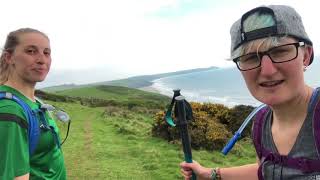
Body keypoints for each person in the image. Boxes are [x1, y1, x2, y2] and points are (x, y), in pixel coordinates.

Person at [180, 5, 320, 180]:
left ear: (305, 56)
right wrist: (210, 174)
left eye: (280, 51)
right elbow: (265, 171)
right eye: (251, 58)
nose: (268, 71)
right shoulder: (261, 124)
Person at [0, 28, 67, 179]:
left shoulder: (35, 102)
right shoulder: (11, 110)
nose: (42, 59)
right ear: (9, 57)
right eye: (31, 51)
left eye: (46, 53)